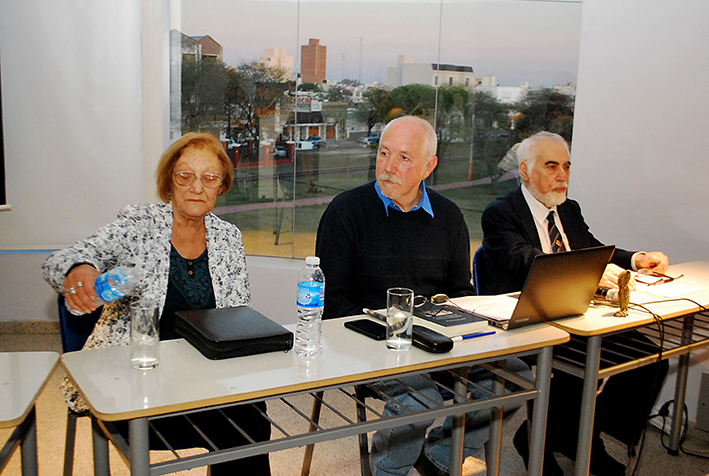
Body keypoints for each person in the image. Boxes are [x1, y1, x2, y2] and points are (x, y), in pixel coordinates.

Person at [42, 132, 271, 475]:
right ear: (169, 182)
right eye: (185, 176)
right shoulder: (139, 224)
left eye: (209, 178)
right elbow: (63, 260)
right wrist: (82, 269)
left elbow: (237, 317)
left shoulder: (228, 236)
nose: (197, 187)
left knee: (251, 418)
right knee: (236, 430)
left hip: (202, 375)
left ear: (221, 187)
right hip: (134, 382)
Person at [316, 115, 530, 476]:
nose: (387, 167)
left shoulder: (448, 216)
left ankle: (442, 455)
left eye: (403, 158)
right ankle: (389, 469)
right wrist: (392, 332)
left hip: (436, 337)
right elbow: (332, 303)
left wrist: (459, 323)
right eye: (384, 153)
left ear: (429, 166)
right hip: (367, 338)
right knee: (420, 397)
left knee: (515, 376)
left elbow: (460, 291)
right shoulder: (345, 212)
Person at [479, 131, 669, 476]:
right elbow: (527, 262)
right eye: (551, 166)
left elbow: (592, 249)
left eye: (566, 166)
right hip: (526, 319)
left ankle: (576, 434)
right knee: (574, 366)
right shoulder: (500, 213)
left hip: (575, 313)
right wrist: (586, 276)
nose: (562, 175)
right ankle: (559, 438)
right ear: (524, 170)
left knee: (651, 361)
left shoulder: (568, 209)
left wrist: (635, 259)